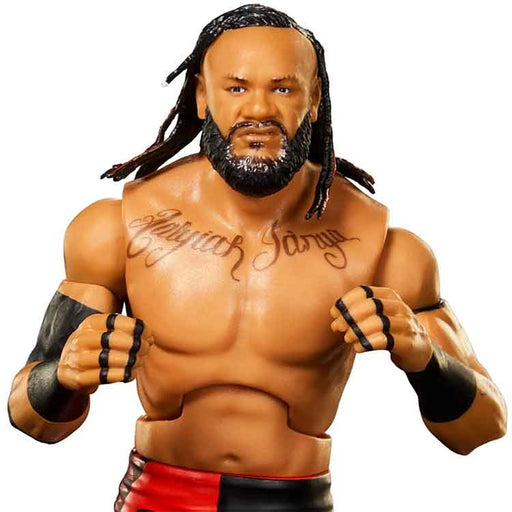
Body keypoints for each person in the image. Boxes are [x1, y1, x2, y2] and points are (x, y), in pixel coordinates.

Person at [7, 4, 506, 511]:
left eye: (283, 89)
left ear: (314, 99)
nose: (259, 109)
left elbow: (482, 428)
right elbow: (31, 420)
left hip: (293, 499)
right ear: (202, 95)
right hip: (158, 496)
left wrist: (427, 362)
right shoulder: (115, 230)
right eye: (236, 87)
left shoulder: (385, 249)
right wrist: (64, 377)